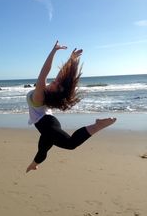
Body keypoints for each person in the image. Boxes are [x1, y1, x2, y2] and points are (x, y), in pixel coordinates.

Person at [26, 41, 116, 173]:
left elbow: (44, 72)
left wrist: (54, 51)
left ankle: (97, 125)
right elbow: (61, 76)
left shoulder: (39, 95)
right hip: (48, 124)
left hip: (47, 125)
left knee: (71, 144)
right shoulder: (48, 93)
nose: (55, 80)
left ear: (55, 91)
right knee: (43, 149)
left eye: (56, 84)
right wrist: (71, 59)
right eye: (56, 81)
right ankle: (34, 164)